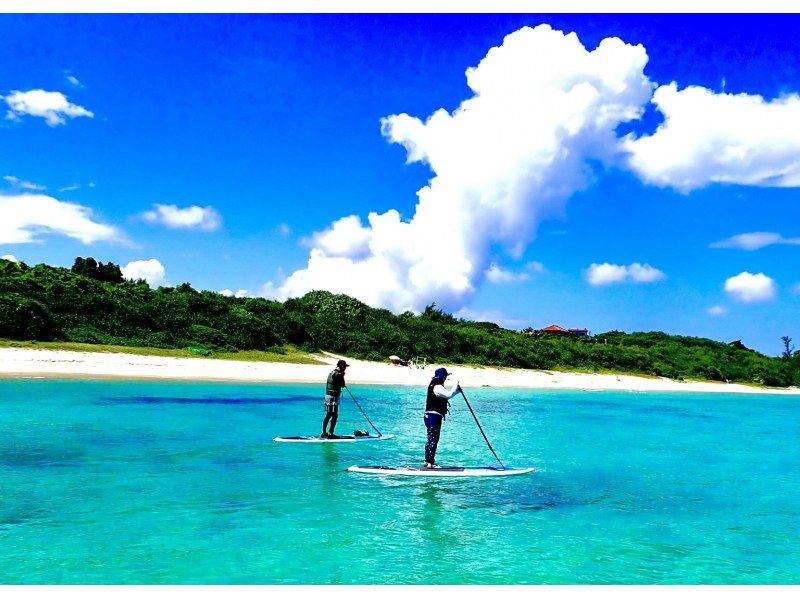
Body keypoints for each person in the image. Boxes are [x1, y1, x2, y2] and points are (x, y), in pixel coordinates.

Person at [423, 367, 461, 468]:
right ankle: (430, 463)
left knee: (431, 439)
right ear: (442, 377)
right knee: (433, 439)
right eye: (445, 377)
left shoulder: (434, 386)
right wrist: (455, 386)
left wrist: (457, 391)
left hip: (431, 416)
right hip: (433, 416)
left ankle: (428, 461)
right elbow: (448, 395)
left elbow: (446, 395)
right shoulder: (437, 387)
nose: (445, 379)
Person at [321, 359, 348, 438]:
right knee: (335, 415)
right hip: (333, 397)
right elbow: (342, 384)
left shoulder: (331, 372)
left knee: (328, 415)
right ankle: (331, 433)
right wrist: (342, 375)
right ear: (341, 366)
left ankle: (324, 432)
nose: (345, 368)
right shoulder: (338, 374)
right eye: (345, 366)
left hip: (328, 396)